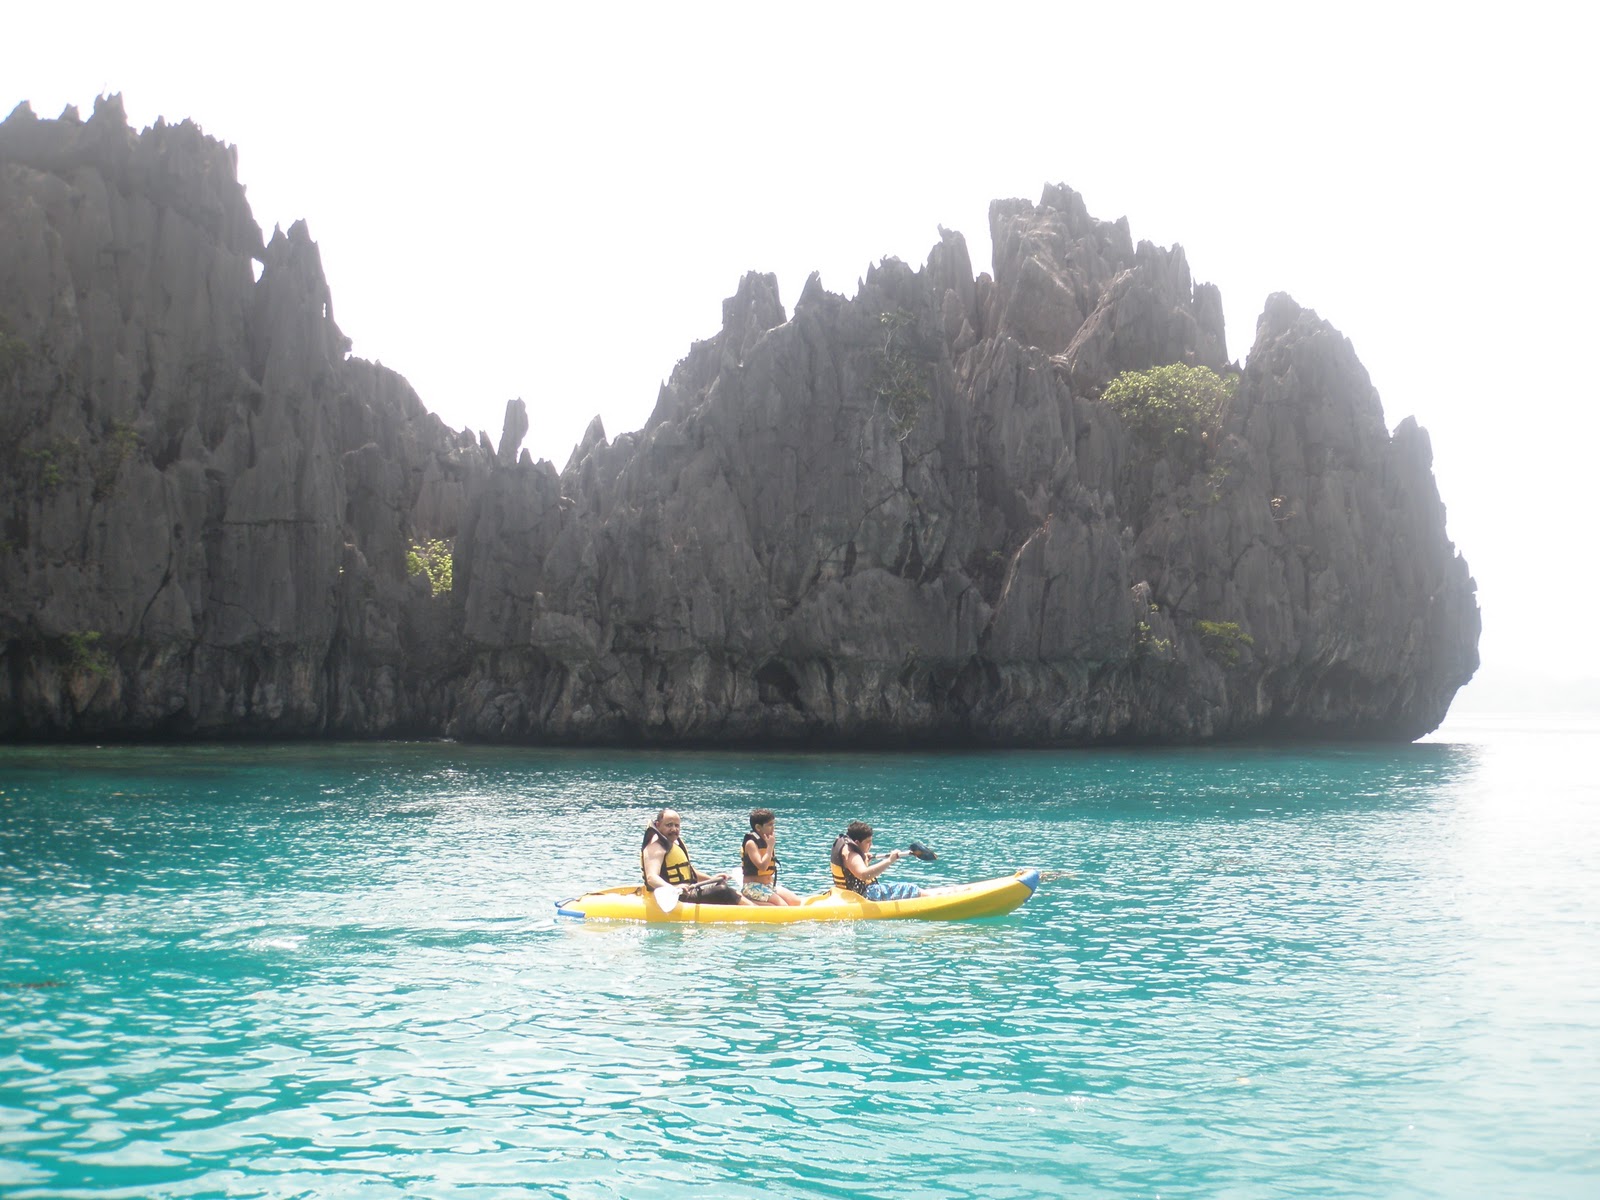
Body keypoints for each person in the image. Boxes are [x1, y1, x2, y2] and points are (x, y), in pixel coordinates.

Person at [641, 809, 751, 906]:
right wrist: (673, 888)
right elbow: (651, 877)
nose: (674, 829)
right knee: (723, 891)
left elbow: (690, 873)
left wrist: (711, 879)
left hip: (685, 891)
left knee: (720, 884)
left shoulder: (672, 844)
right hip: (671, 897)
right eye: (669, 825)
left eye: (677, 825)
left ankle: (754, 908)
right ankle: (755, 910)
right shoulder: (655, 847)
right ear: (658, 824)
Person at [830, 820, 921, 901]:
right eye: (868, 842)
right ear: (857, 842)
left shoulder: (846, 848)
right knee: (909, 888)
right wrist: (890, 860)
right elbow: (864, 875)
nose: (871, 845)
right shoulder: (852, 854)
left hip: (848, 894)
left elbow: (854, 874)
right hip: (864, 896)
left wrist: (864, 862)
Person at [740, 809, 803, 906]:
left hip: (769, 886)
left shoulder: (766, 840)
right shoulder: (751, 844)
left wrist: (769, 845)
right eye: (769, 825)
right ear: (758, 827)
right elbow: (762, 867)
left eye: (773, 824)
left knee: (796, 902)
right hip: (752, 887)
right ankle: (750, 902)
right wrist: (770, 847)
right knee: (783, 907)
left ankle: (764, 902)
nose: (773, 828)